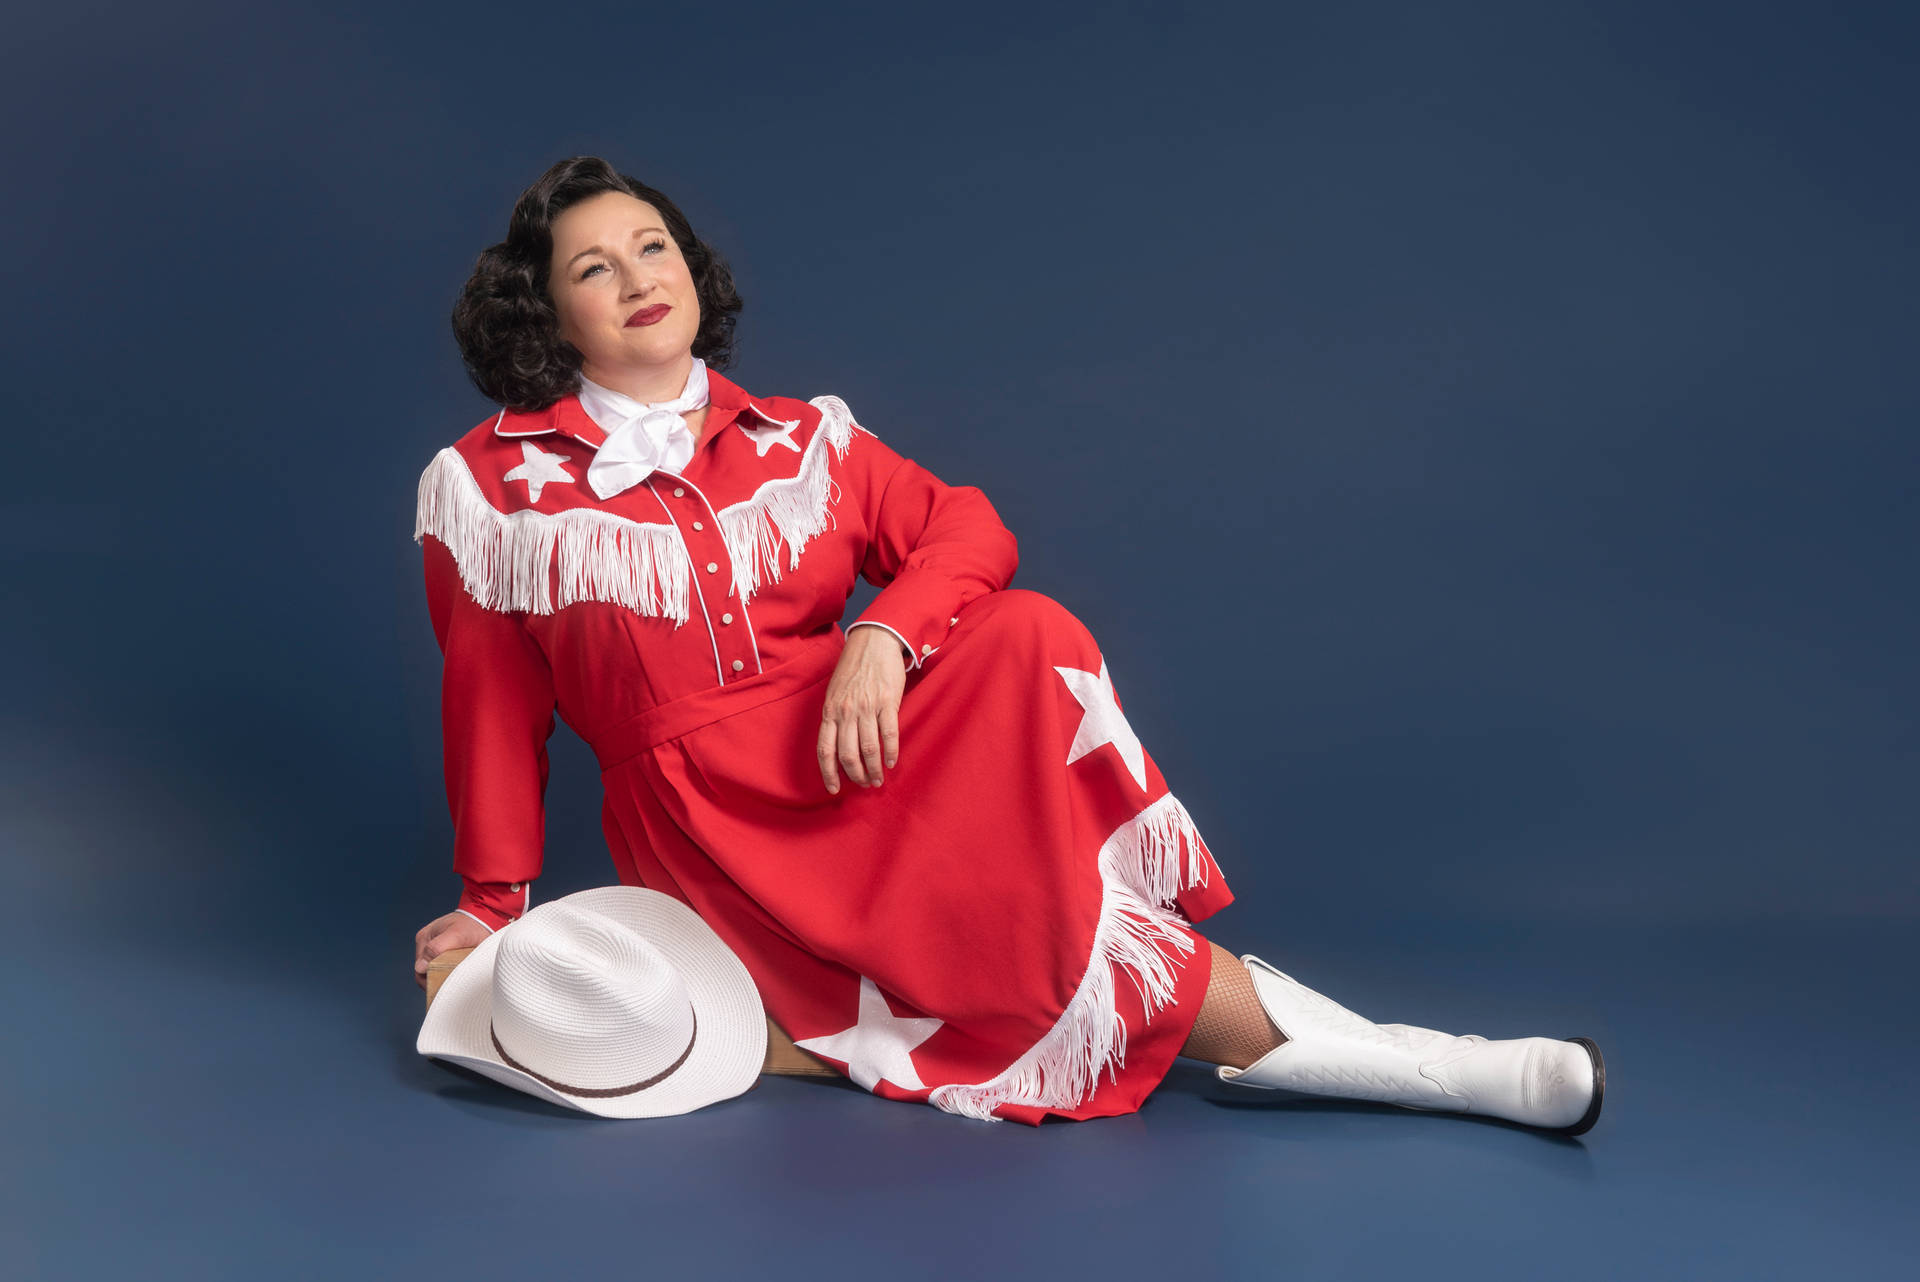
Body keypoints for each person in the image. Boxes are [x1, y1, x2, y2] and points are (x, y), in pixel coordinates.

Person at [409, 156, 1605, 1133]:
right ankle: (1447, 1072)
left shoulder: (804, 441)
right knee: (1040, 952)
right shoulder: (491, 489)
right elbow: (492, 707)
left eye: (653, 246)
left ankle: (1439, 1069)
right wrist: (490, 905)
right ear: (547, 311)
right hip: (709, 826)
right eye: (593, 267)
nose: (636, 279)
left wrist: (882, 633)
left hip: (855, 760)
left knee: (1028, 637)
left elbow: (967, 528)